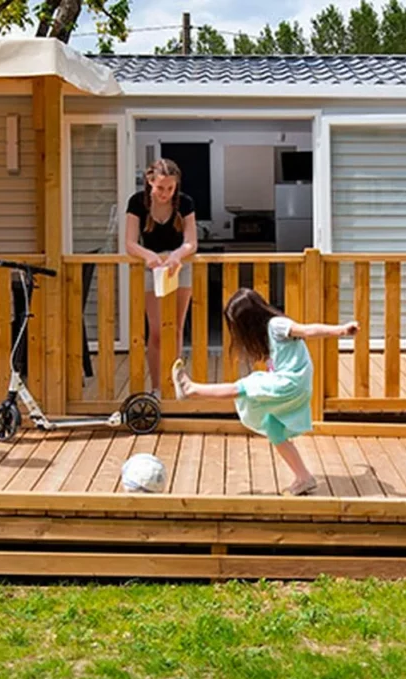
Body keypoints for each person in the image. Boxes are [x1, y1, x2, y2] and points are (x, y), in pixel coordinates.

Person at [171, 288, 359, 496]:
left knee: (241, 387)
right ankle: (304, 477)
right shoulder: (268, 334)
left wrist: (341, 330)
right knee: (274, 428)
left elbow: (308, 330)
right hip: (295, 384)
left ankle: (191, 389)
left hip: (290, 382)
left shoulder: (276, 324)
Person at [125, 158, 198, 397]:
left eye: (170, 188)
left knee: (176, 328)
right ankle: (157, 387)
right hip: (152, 269)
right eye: (160, 188)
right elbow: (130, 243)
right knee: (156, 330)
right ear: (150, 182)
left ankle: (175, 384)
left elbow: (191, 242)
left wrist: (178, 255)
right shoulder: (137, 203)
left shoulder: (185, 203)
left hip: (179, 267)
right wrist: (148, 256)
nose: (165, 193)